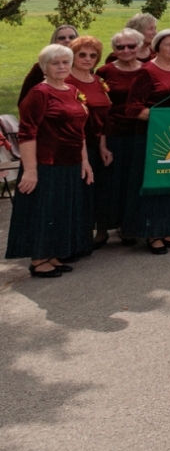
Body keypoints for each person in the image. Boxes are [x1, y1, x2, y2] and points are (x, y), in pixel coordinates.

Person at [6, 44, 95, 277]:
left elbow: (80, 130)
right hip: (46, 163)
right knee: (44, 211)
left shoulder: (72, 90)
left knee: (61, 211)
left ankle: (52, 253)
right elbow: (27, 133)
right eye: (55, 63)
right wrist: (31, 171)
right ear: (44, 67)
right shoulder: (39, 93)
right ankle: (38, 260)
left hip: (71, 162)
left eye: (65, 62)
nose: (61, 67)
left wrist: (84, 161)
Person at [125, 29, 170, 252]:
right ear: (157, 47)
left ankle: (168, 229)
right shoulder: (147, 72)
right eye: (168, 44)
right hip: (152, 138)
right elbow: (133, 108)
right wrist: (162, 120)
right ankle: (152, 234)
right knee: (155, 186)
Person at [97, 30, 148, 244]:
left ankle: (128, 227)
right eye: (120, 47)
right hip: (113, 134)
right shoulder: (104, 72)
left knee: (132, 182)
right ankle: (102, 229)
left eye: (131, 46)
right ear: (114, 49)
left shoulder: (148, 70)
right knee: (109, 183)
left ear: (139, 46)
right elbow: (99, 108)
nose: (126, 50)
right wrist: (102, 142)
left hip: (140, 134)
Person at [68, 36, 114, 246]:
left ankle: (100, 232)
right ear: (73, 56)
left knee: (100, 190)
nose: (87, 59)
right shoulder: (66, 81)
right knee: (79, 193)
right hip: (74, 146)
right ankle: (78, 237)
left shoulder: (98, 82)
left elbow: (105, 116)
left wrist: (104, 145)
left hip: (97, 144)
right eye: (82, 55)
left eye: (92, 55)